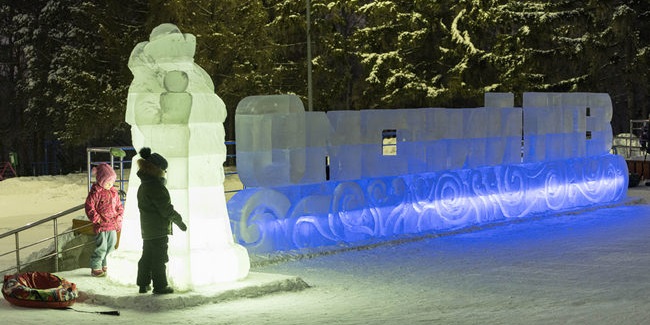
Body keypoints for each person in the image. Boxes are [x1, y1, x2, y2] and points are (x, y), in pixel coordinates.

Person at [135, 147, 187, 294]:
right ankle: (160, 286)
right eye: (164, 170)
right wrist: (179, 221)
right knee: (159, 258)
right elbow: (166, 209)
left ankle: (143, 284)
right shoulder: (155, 187)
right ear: (157, 170)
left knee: (147, 256)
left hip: (147, 229)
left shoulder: (144, 185)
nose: (165, 173)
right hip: (158, 229)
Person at [85, 163, 124, 277]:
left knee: (111, 247)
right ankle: (96, 266)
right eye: (107, 182)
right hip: (101, 226)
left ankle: (106, 265)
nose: (110, 184)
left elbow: (119, 207)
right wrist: (97, 219)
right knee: (101, 247)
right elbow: (89, 206)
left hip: (112, 225)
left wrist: (119, 217)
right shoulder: (96, 192)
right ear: (101, 180)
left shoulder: (113, 192)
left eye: (112, 182)